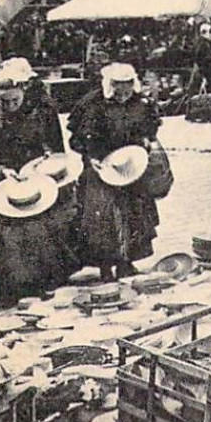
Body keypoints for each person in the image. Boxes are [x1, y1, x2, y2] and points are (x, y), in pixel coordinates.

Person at [0, 62, 76, 299]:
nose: (11, 106)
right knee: (7, 230)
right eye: (5, 103)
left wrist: (44, 158)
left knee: (44, 221)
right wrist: (2, 170)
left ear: (23, 94)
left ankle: (47, 276)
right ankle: (14, 283)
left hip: (31, 176)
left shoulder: (36, 115)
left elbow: (49, 147)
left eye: (15, 101)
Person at [68, 63, 162, 280]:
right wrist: (91, 157)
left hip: (130, 167)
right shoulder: (93, 104)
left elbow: (149, 127)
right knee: (103, 219)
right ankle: (105, 267)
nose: (125, 90)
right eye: (119, 85)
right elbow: (78, 138)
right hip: (100, 167)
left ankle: (126, 262)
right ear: (111, 84)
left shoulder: (140, 104)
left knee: (133, 215)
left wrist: (146, 141)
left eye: (128, 84)